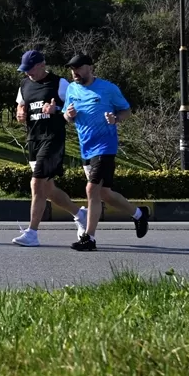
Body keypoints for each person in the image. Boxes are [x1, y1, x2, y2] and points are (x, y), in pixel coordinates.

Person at [63, 54, 150, 251]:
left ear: (90, 68)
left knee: (91, 189)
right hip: (86, 146)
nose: (74, 72)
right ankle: (139, 214)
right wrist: (69, 115)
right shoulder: (71, 88)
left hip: (105, 146)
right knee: (105, 193)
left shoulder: (108, 89)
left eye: (78, 67)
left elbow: (126, 110)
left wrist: (116, 119)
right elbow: (67, 116)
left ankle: (89, 238)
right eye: (72, 68)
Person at [10, 50, 88, 246]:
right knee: (49, 189)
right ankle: (80, 214)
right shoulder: (24, 84)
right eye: (25, 70)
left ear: (41, 65)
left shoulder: (60, 84)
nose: (28, 73)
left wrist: (58, 109)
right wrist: (20, 112)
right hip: (33, 140)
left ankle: (32, 233)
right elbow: (21, 105)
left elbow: (76, 108)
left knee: (36, 184)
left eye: (30, 69)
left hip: (53, 139)